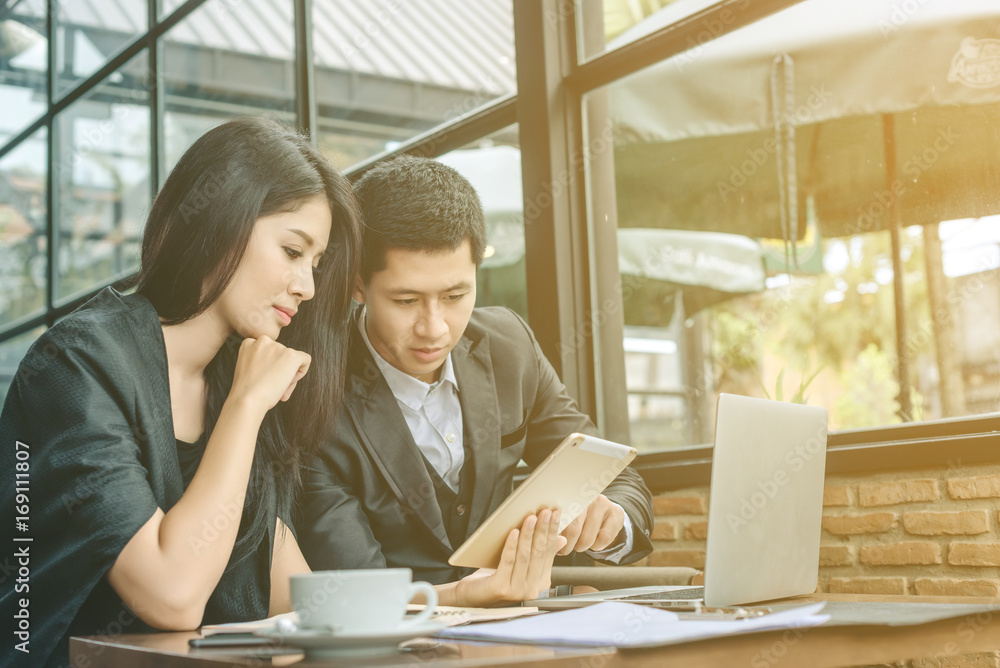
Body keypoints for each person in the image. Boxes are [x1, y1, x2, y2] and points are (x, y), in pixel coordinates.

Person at [0, 116, 361, 668]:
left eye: (316, 264)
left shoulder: (232, 377)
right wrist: (245, 408)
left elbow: (301, 596)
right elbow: (171, 594)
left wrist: (456, 598)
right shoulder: (78, 362)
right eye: (293, 251)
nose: (307, 287)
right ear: (221, 218)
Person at [297, 155, 654, 607]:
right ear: (357, 285)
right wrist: (465, 596)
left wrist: (610, 517)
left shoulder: (509, 346)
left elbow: (615, 476)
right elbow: (352, 590)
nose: (435, 327)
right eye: (406, 300)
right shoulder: (313, 390)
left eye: (455, 295)